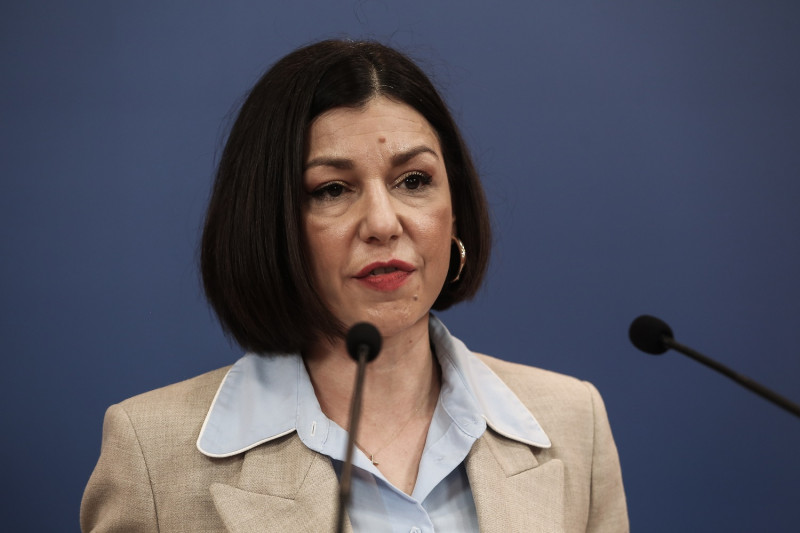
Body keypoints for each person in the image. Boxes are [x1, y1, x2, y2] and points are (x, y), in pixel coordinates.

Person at [81, 39, 628, 532]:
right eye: (333, 189)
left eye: (414, 180)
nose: (383, 224)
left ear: (455, 210)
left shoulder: (572, 422)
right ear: (270, 225)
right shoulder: (153, 457)